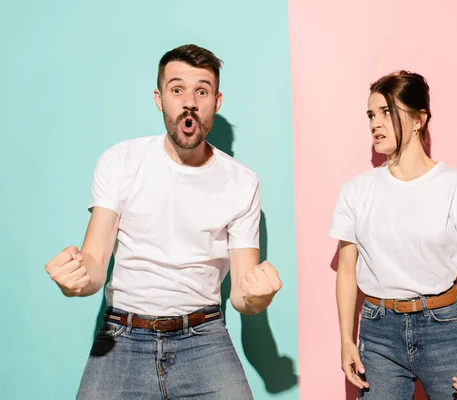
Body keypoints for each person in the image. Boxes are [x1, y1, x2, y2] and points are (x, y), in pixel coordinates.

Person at [44, 44, 282, 399]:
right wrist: (76, 281)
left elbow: (244, 296)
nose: (189, 101)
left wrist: (260, 297)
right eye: (177, 90)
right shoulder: (120, 161)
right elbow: (94, 265)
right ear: (159, 99)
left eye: (201, 90)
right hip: (122, 334)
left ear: (216, 101)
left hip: (204, 336)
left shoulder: (242, 182)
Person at [328, 70, 457, 399]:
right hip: (378, 333)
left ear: (419, 119)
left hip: (445, 329)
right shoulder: (356, 191)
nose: (375, 123)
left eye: (387, 112)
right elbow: (347, 270)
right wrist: (346, 340)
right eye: (371, 115)